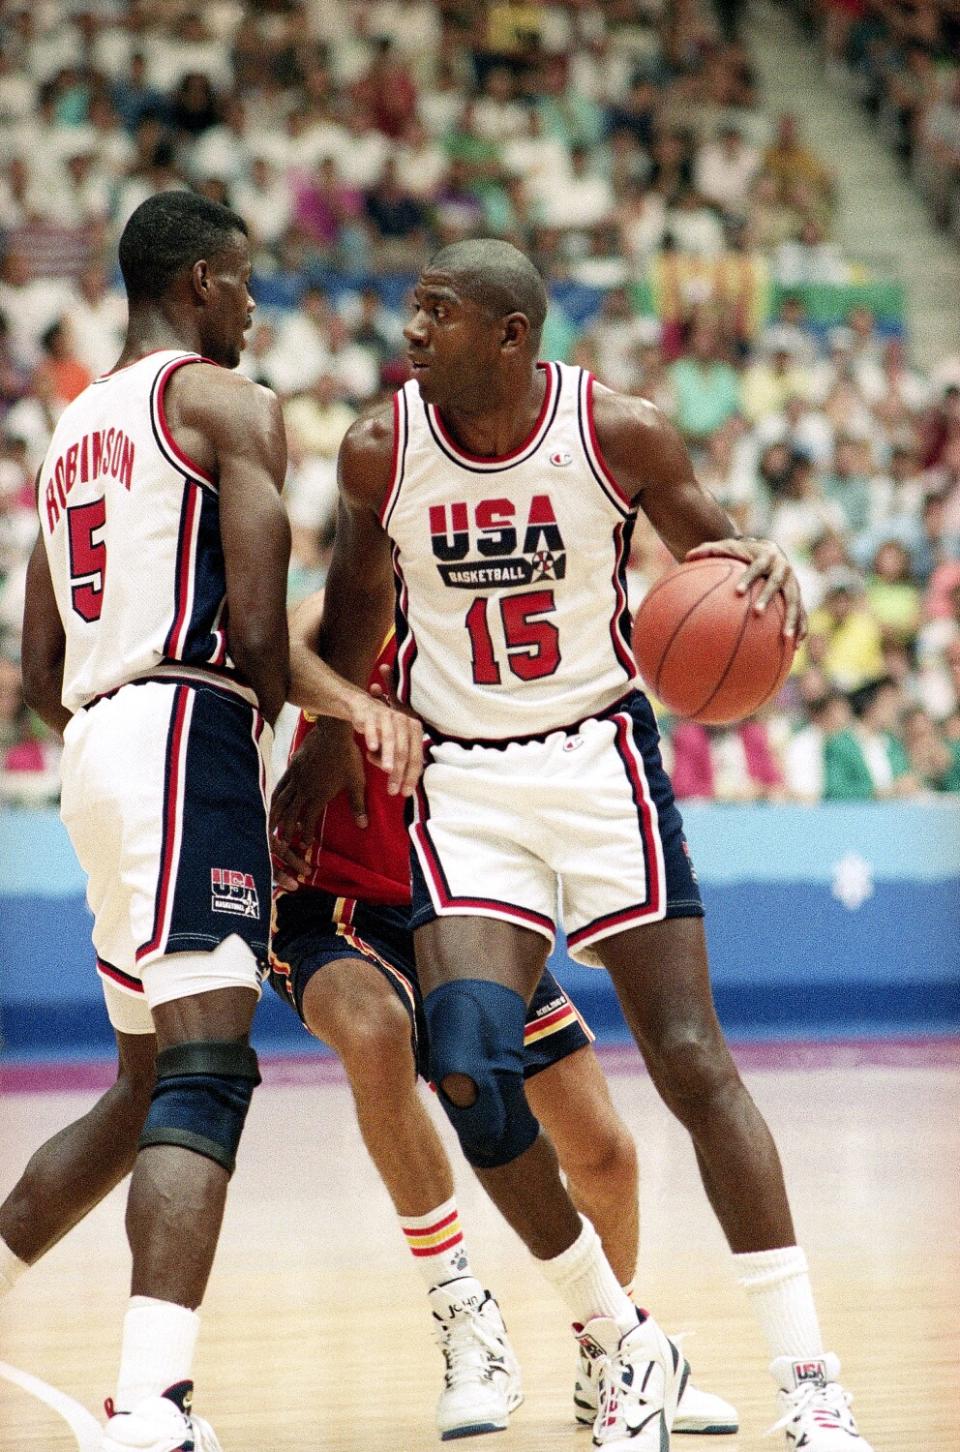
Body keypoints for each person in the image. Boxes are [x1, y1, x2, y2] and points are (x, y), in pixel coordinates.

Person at [275, 238, 876, 1452]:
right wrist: (327, 743)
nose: (413, 330)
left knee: (694, 1062)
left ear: (511, 335)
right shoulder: (378, 450)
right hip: (470, 788)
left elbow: (724, 567)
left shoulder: (622, 433)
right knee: (463, 1064)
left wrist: (768, 571)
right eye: (412, 309)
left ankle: (811, 1381)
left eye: (438, 313)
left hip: (602, 761)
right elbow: (349, 610)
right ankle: (625, 1343)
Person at [0, 190, 416, 1452]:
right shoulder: (231, 406)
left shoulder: (73, 429)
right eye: (240, 280)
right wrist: (316, 733)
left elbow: (31, 668)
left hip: (96, 752)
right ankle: (152, 1405)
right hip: (188, 733)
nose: (253, 302)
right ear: (192, 282)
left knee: (141, 1088)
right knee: (207, 1068)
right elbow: (252, 625)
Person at [269, 599, 739, 1441]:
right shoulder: (356, 604)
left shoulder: (504, 624)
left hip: (462, 907)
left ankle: (617, 1354)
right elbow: (277, 653)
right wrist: (350, 708)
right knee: (375, 1035)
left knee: (605, 1151)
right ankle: (464, 1320)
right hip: (328, 900)